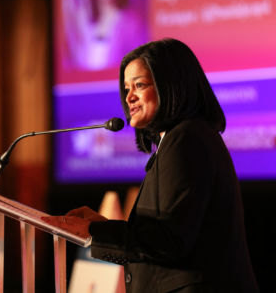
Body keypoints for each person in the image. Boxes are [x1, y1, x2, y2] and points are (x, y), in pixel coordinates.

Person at [43, 38, 259, 292]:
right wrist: (99, 228)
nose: (129, 97)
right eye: (126, 88)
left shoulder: (186, 139)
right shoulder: (183, 138)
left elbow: (169, 241)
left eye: (140, 85)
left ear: (170, 86)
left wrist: (94, 231)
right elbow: (166, 236)